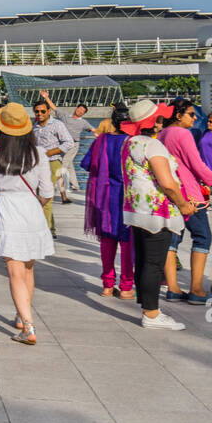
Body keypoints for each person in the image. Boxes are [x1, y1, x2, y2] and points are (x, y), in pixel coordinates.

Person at [0, 104, 54, 346]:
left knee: (15, 271)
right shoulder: (38, 152)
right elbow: (47, 191)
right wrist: (38, 203)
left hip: (8, 209)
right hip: (32, 209)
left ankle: (28, 326)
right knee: (28, 268)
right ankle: (22, 314)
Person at [120, 101, 198, 331]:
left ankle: (147, 306)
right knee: (154, 263)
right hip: (158, 212)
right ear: (156, 122)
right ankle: (152, 315)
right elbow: (168, 183)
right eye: (161, 119)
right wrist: (184, 205)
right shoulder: (153, 147)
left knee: (143, 261)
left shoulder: (130, 143)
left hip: (138, 210)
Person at [160, 99, 212, 304]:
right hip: (190, 194)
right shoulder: (183, 134)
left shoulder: (163, 133)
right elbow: (197, 164)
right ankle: (196, 289)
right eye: (191, 114)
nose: (195, 118)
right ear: (178, 115)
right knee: (203, 237)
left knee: (173, 240)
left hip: (170, 193)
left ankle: (173, 288)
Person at [80, 105, 135, 299]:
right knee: (128, 243)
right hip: (128, 198)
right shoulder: (132, 142)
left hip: (104, 197)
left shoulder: (101, 141)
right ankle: (127, 286)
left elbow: (86, 164)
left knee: (107, 241)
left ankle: (108, 285)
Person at [32, 95, 75, 237]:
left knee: (46, 197)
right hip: (36, 163)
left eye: (43, 111)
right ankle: (47, 228)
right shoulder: (34, 125)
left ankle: (48, 231)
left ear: (49, 111)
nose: (40, 114)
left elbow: (69, 143)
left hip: (52, 163)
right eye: (37, 111)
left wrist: (50, 152)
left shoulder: (57, 124)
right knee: (39, 197)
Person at [40, 91, 90, 202]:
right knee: (69, 166)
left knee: (62, 166)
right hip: (62, 144)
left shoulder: (83, 122)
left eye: (83, 111)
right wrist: (46, 97)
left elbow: (94, 130)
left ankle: (54, 187)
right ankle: (75, 186)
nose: (80, 112)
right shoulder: (65, 116)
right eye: (80, 109)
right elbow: (54, 108)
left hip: (73, 145)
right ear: (76, 108)